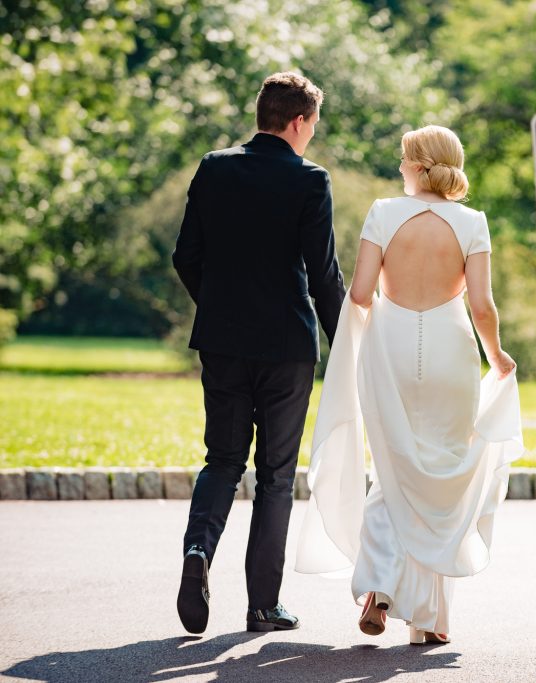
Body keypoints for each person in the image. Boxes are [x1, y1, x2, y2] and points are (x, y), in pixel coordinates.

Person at [295, 125, 522, 645]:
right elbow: (482, 306)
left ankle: (378, 584)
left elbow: (359, 293)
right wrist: (497, 357)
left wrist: (381, 329)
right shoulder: (473, 223)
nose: (398, 165)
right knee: (439, 471)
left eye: (403, 158)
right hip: (451, 348)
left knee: (393, 467)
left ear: (420, 165)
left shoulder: (383, 212)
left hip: (390, 345)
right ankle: (428, 620)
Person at [172, 72, 345, 634]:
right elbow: (323, 278)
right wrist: (345, 344)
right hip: (287, 347)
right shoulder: (310, 181)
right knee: (274, 475)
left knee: (222, 460)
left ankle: (197, 551)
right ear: (298, 121)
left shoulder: (214, 166)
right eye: (313, 124)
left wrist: (218, 305)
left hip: (221, 341)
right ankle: (261, 605)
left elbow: (185, 255)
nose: (312, 135)